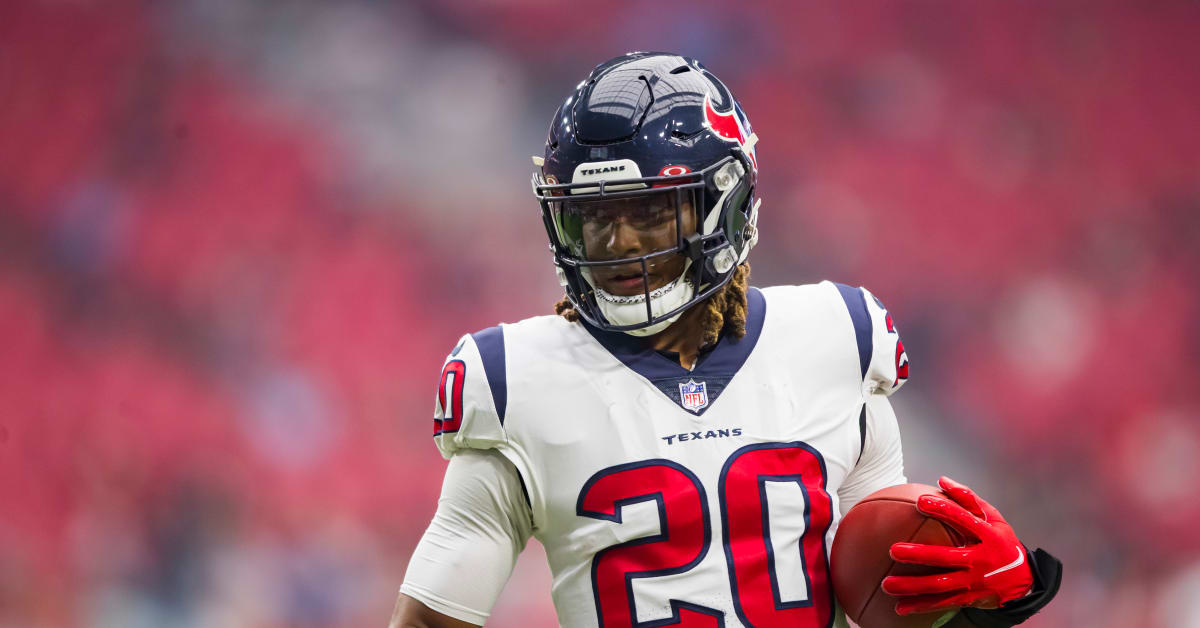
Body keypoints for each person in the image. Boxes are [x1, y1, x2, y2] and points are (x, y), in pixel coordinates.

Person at [391, 52, 1061, 628]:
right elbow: (431, 616)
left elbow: (881, 589)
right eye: (595, 218)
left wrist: (978, 599)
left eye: (649, 211)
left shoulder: (835, 340)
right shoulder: (517, 381)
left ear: (727, 204)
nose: (618, 243)